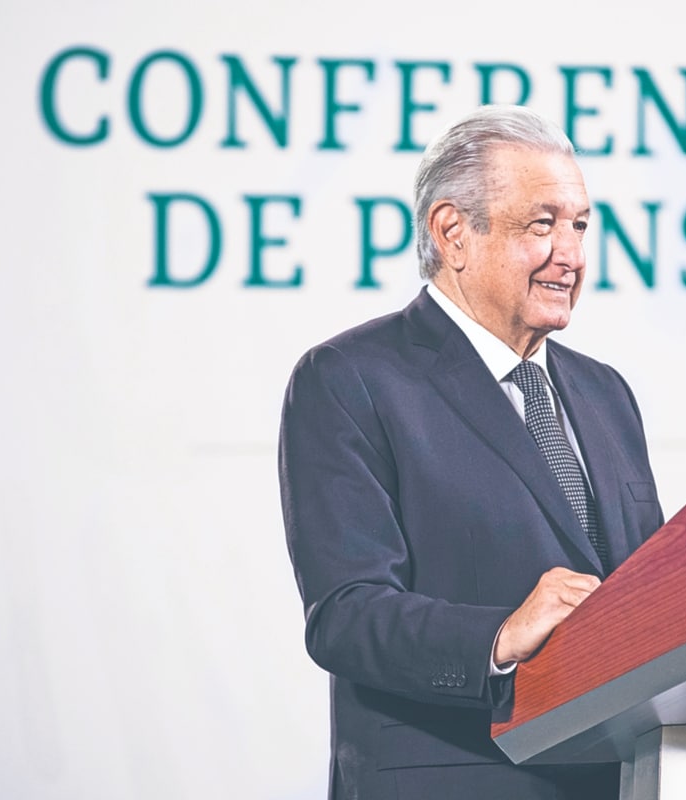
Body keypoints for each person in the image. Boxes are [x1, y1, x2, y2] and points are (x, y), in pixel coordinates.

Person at [278, 104, 663, 800]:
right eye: (541, 224)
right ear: (453, 233)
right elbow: (346, 613)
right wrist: (501, 634)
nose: (570, 254)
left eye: (579, 225)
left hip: (619, 779)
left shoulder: (606, 392)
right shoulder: (349, 379)